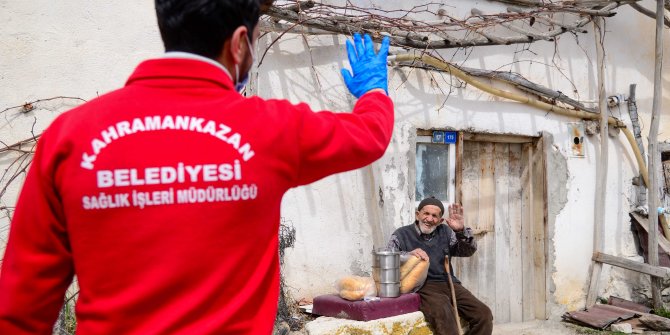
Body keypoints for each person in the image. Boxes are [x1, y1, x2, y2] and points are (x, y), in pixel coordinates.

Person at [0, 0, 393, 334]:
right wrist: (373, 90)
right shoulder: (272, 129)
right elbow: (368, 135)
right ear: (241, 43)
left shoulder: (69, 136)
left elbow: (21, 306)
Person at [387, 197, 493, 335]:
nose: (429, 219)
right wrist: (408, 255)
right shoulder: (401, 234)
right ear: (417, 214)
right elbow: (387, 258)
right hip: (422, 286)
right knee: (445, 315)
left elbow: (468, 251)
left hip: (448, 282)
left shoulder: (446, 232)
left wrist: (460, 231)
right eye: (426, 214)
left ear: (441, 220)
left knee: (484, 315)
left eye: (434, 216)